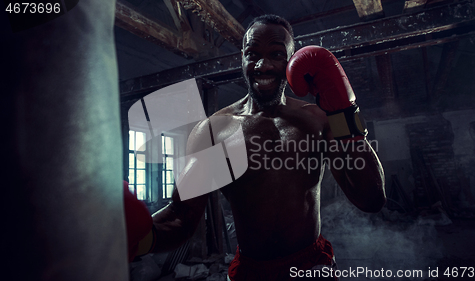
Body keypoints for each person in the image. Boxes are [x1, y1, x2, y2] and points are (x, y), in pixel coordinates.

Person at [128, 14, 386, 281]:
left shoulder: (318, 119)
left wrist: (346, 113)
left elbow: (371, 199)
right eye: (253, 54)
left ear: (291, 58)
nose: (263, 65)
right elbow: (181, 217)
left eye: (276, 53)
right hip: (251, 273)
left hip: (311, 266)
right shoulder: (213, 131)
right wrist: (134, 235)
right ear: (242, 57)